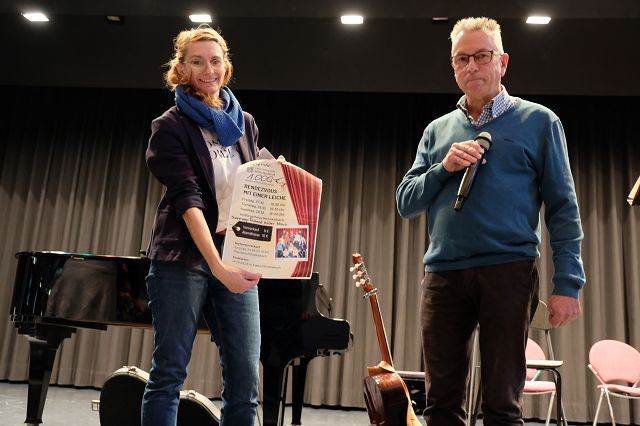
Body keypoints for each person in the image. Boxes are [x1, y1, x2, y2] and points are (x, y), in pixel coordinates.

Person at [396, 17, 585, 426]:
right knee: (440, 403)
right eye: (462, 59)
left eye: (482, 56)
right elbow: (406, 202)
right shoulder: (436, 131)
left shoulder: (539, 122)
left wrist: (567, 283)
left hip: (509, 272)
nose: (472, 67)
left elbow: (563, 208)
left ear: (503, 61)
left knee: (502, 404)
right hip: (443, 275)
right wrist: (442, 168)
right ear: (453, 67)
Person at [142, 25, 262, 426]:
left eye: (215, 60)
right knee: (170, 373)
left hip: (236, 254)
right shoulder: (170, 126)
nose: (208, 69)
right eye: (197, 61)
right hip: (183, 259)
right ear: (181, 68)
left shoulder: (243, 122)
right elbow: (188, 200)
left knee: (246, 379)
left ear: (225, 66)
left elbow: (248, 192)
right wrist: (218, 266)